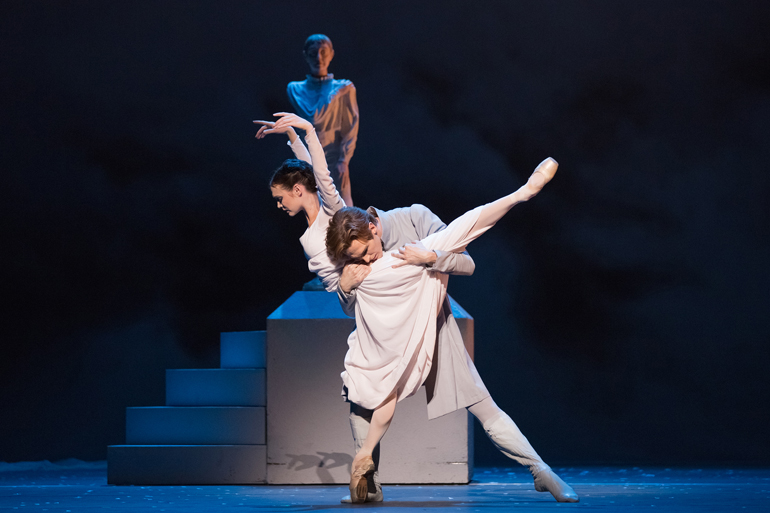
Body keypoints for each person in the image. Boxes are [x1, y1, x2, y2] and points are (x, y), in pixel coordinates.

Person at [325, 158, 579, 504]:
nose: (367, 261)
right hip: (390, 336)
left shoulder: (414, 218)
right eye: (358, 259)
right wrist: (345, 287)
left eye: (367, 253)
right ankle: (368, 483)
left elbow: (467, 262)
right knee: (361, 397)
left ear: (374, 228)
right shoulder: (353, 249)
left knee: (482, 405)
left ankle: (541, 471)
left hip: (435, 331)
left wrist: (430, 257)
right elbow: (355, 305)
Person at [287, 34, 358, 207]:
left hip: (334, 158)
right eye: (313, 53)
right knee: (315, 209)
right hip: (309, 159)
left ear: (331, 54)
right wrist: (334, 93)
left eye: (324, 52)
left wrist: (344, 159)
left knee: (345, 210)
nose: (319, 58)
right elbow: (314, 117)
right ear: (306, 55)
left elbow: (351, 127)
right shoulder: (296, 89)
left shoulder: (345, 88)